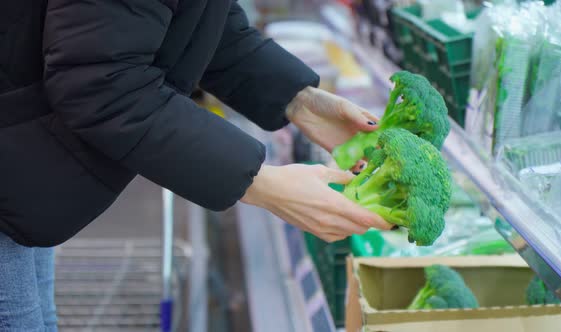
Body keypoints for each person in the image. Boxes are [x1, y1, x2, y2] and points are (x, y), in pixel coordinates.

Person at [0, 0, 390, 329]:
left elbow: (192, 18)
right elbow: (101, 83)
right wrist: (257, 182)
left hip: (23, 166)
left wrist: (298, 100)